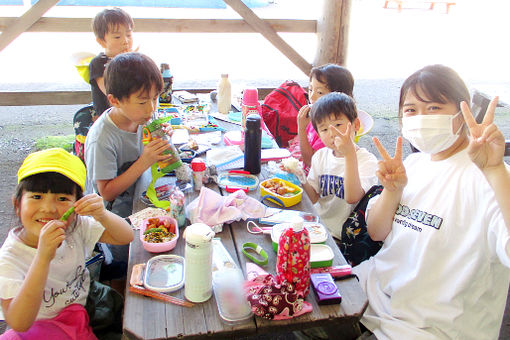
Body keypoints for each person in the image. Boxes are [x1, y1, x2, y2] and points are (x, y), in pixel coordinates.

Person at [354, 64, 510, 339]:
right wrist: (392, 190)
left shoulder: (490, 177)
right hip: (370, 296)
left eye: (435, 107)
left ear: (463, 113)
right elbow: (377, 233)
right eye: (411, 110)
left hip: (424, 330)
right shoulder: (414, 164)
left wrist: (496, 171)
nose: (421, 117)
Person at [0, 148, 133, 338]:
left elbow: (126, 236)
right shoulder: (9, 259)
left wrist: (102, 214)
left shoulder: (76, 227)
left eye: (62, 198)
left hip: (81, 310)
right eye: (36, 197)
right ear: (17, 203)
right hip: (41, 329)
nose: (48, 208)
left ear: (77, 205)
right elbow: (19, 323)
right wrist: (43, 257)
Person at [84, 52, 171, 280]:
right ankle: (121, 286)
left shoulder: (141, 116)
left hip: (140, 195)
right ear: (114, 100)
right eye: (143, 101)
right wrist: (144, 161)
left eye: (155, 98)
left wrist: (162, 141)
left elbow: (157, 156)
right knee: (133, 262)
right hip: (114, 216)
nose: (151, 108)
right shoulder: (102, 138)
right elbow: (106, 192)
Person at [297, 92, 378, 240]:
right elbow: (314, 198)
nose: (332, 133)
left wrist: (349, 154)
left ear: (356, 125)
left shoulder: (367, 161)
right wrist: (300, 176)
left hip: (345, 237)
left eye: (338, 125)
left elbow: (353, 197)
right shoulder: (320, 156)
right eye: (324, 129)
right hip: (317, 226)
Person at [288, 63, 356, 173]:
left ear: (338, 96)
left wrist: (301, 128)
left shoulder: (331, 129)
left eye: (319, 92)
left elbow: (310, 161)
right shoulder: (316, 116)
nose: (312, 96)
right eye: (310, 90)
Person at [90, 7, 134, 119]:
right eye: (117, 37)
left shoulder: (134, 60)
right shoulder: (98, 63)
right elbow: (110, 91)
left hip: (130, 115)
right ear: (102, 42)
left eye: (129, 35)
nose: (126, 41)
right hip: (109, 118)